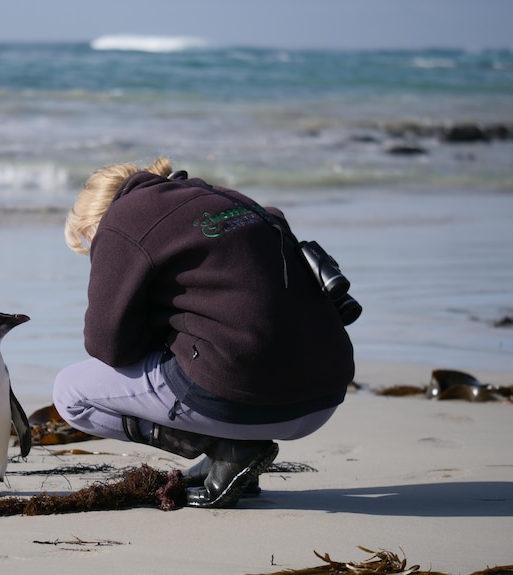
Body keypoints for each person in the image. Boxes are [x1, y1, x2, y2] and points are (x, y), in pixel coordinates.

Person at [53, 157, 355, 508]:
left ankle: (227, 449)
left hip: (247, 402)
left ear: (94, 224)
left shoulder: (122, 221)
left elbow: (107, 346)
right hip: (322, 399)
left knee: (70, 393)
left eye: (90, 247)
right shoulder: (224, 197)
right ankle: (231, 456)